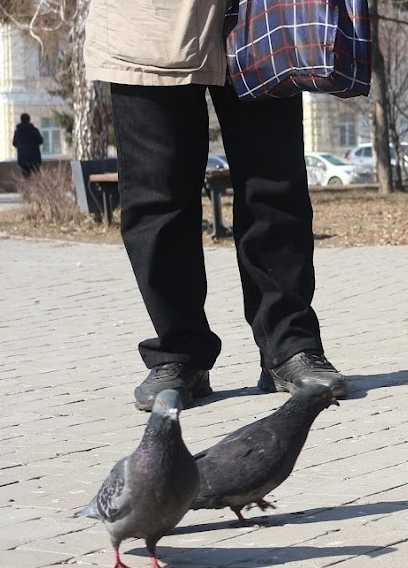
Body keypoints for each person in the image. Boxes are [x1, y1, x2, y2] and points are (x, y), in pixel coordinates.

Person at [84, 0, 347, 411]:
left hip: (262, 18)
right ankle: (178, 352)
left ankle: (288, 346)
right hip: (147, 23)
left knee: (274, 190)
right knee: (157, 199)